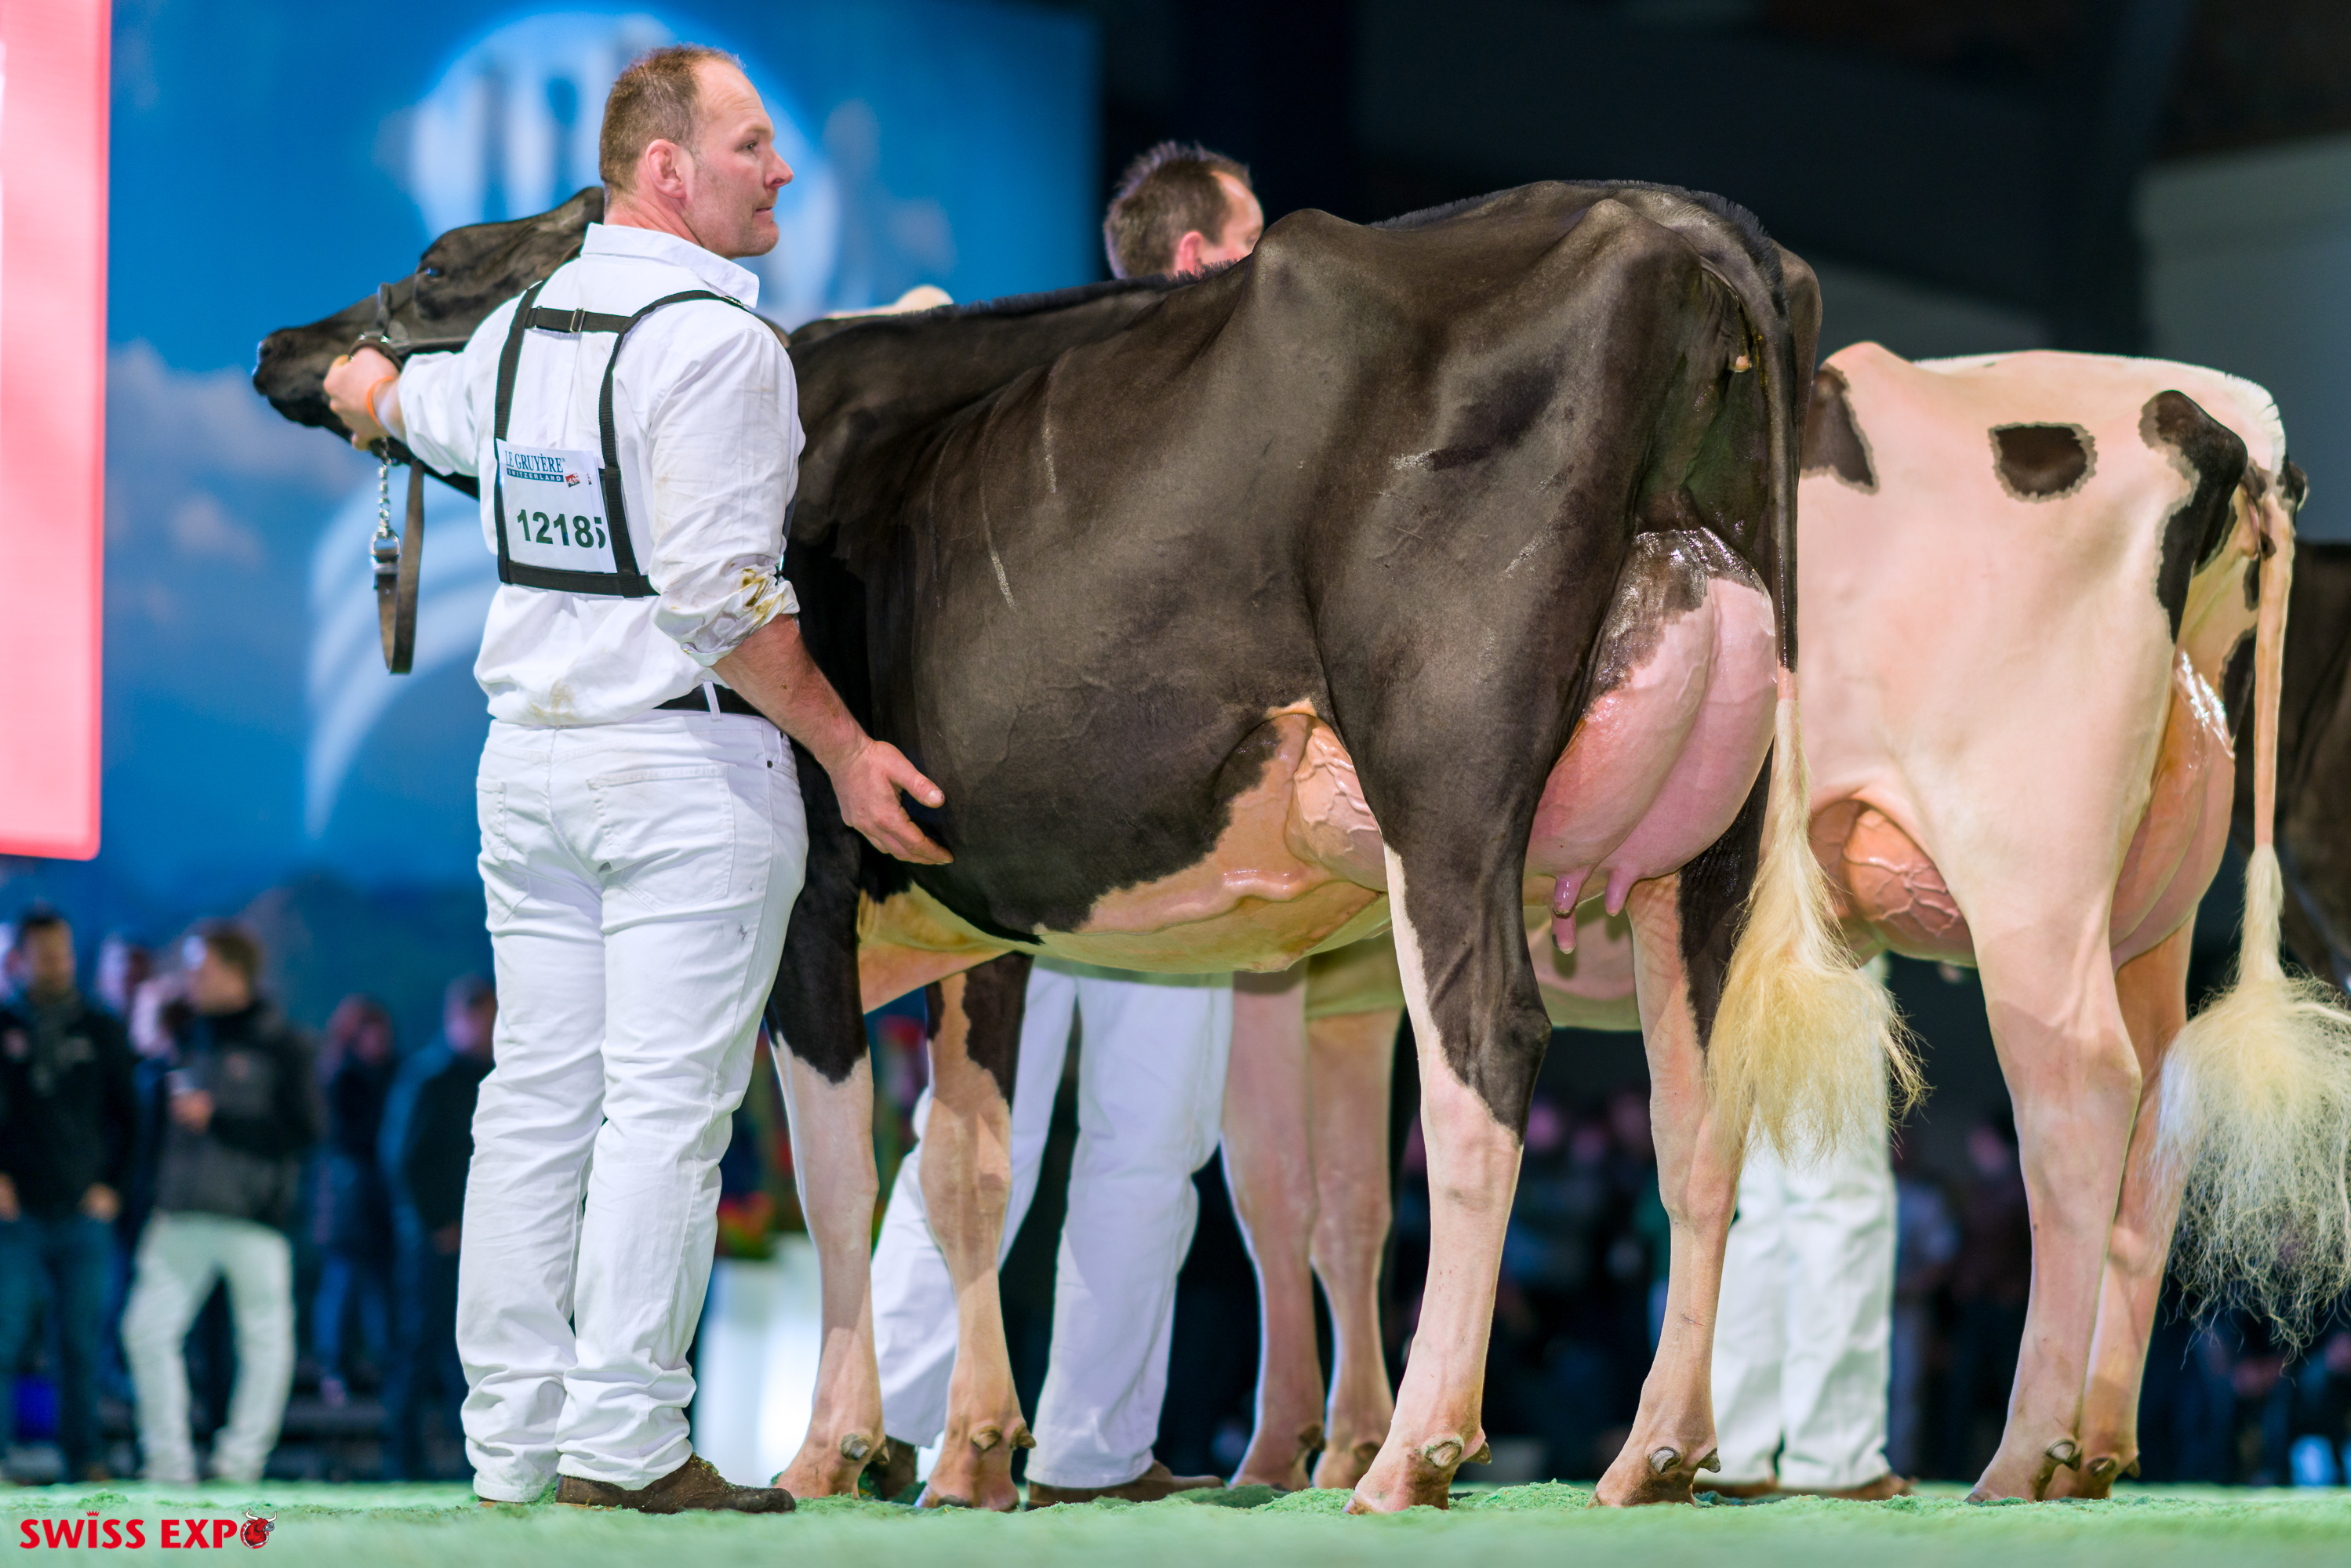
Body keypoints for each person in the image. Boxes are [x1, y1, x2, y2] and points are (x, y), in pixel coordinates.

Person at [322, 42, 946, 1515]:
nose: (778, 170)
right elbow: (724, 602)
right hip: (679, 769)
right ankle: (623, 1447)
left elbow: (421, 410)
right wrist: (848, 752)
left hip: (528, 770)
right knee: (663, 1114)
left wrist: (368, 389)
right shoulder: (720, 348)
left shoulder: (520, 330)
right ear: (666, 169)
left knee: (535, 1103)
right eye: (749, 145)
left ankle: (511, 1449)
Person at [862, 142, 1265, 1508]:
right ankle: (930, 1434)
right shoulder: (1077, 386)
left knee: (1125, 1144)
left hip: (1141, 826)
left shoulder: (1193, 404)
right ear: (1198, 256)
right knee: (1007, 1137)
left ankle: (1040, 1446)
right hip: (1073, 828)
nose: (1268, 268)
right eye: (1253, 243)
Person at [119, 923, 323, 1484]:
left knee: (264, 1341)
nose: (189, 979)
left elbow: (306, 1129)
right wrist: (148, 1036)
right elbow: (137, 1109)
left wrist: (220, 1118)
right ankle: (168, 1462)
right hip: (180, 1209)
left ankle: (240, 1462)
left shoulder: (283, 1043)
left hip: (255, 1216)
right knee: (145, 1331)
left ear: (235, 973)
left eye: (200, 969)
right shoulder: (184, 1035)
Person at [0, 908, 138, 1483]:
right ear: (19, 959)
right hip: (14, 1216)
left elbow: (130, 1118)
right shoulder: (3, 1025)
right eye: (47, 953)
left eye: (65, 952)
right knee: (4, 1337)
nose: (59, 963)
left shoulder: (101, 1027)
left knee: (81, 1344)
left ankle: (85, 1458)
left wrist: (113, 1188)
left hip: (84, 1214)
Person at [379, 978, 496, 1479]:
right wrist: (438, 1223)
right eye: (487, 1018)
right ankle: (402, 1461)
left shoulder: (492, 1076)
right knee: (421, 1346)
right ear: (461, 1018)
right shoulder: (431, 1077)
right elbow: (403, 1158)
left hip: (477, 1238)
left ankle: (469, 1461)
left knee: (467, 1350)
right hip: (435, 1241)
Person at [311, 995, 398, 1407]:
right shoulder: (341, 1078)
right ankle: (336, 1368)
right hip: (349, 1201)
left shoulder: (393, 1076)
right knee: (344, 1284)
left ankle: (384, 1367)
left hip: (380, 1201)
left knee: (380, 1288)